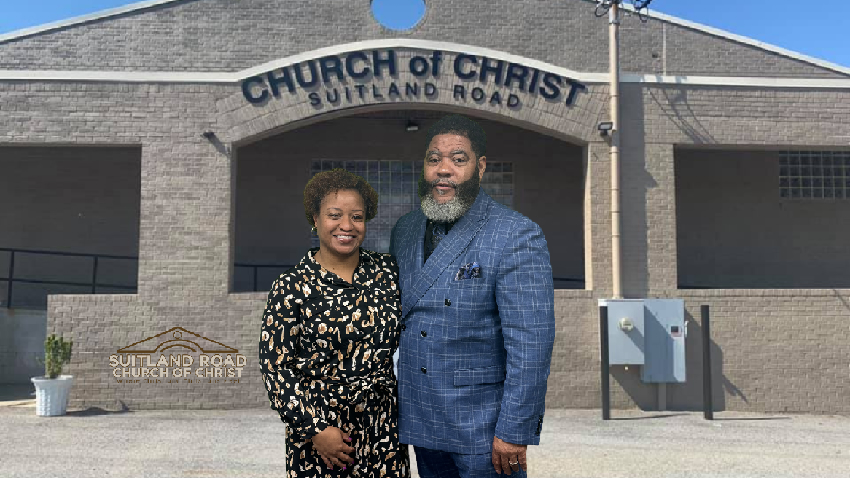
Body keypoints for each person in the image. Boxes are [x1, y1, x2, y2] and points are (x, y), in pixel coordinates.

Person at [389, 114, 556, 478]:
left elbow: (531, 344)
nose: (443, 170)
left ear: (480, 167)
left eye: (457, 159)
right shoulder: (406, 228)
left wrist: (514, 430)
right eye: (434, 159)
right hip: (421, 415)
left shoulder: (516, 234)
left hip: (484, 427)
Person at [259, 168, 410, 478]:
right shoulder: (292, 287)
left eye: (357, 217)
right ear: (314, 219)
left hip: (384, 433)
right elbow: (276, 368)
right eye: (335, 215)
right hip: (324, 438)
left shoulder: (387, 273)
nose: (347, 226)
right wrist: (314, 429)